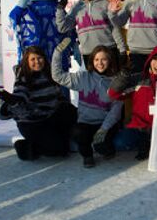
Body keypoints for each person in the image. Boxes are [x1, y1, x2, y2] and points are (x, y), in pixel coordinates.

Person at [52, 40, 122, 168]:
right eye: (96, 59)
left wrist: (104, 129)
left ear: (109, 61)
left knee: (100, 146)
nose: (100, 63)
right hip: (86, 122)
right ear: (92, 61)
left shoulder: (116, 82)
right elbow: (58, 77)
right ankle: (87, 155)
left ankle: (106, 148)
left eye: (104, 59)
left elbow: (116, 110)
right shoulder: (83, 78)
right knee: (78, 133)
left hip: (104, 124)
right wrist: (57, 53)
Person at [0, 46, 77, 161]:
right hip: (32, 123)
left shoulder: (49, 75)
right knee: (57, 150)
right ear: (27, 61)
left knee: (69, 110)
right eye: (33, 59)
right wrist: (12, 100)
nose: (37, 62)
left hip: (48, 117)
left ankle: (61, 138)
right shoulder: (24, 78)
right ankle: (24, 146)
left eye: (39, 58)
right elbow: (21, 96)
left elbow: (59, 97)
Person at [109, 45, 157, 160]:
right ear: (149, 60)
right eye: (154, 59)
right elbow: (113, 94)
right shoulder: (139, 79)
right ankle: (144, 142)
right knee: (119, 143)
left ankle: (152, 143)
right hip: (139, 127)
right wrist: (122, 77)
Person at [56, 0, 127, 66]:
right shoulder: (77, 7)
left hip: (108, 50)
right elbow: (63, 27)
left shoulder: (105, 4)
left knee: (113, 79)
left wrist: (122, 50)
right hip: (88, 53)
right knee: (93, 80)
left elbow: (114, 28)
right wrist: (60, 9)